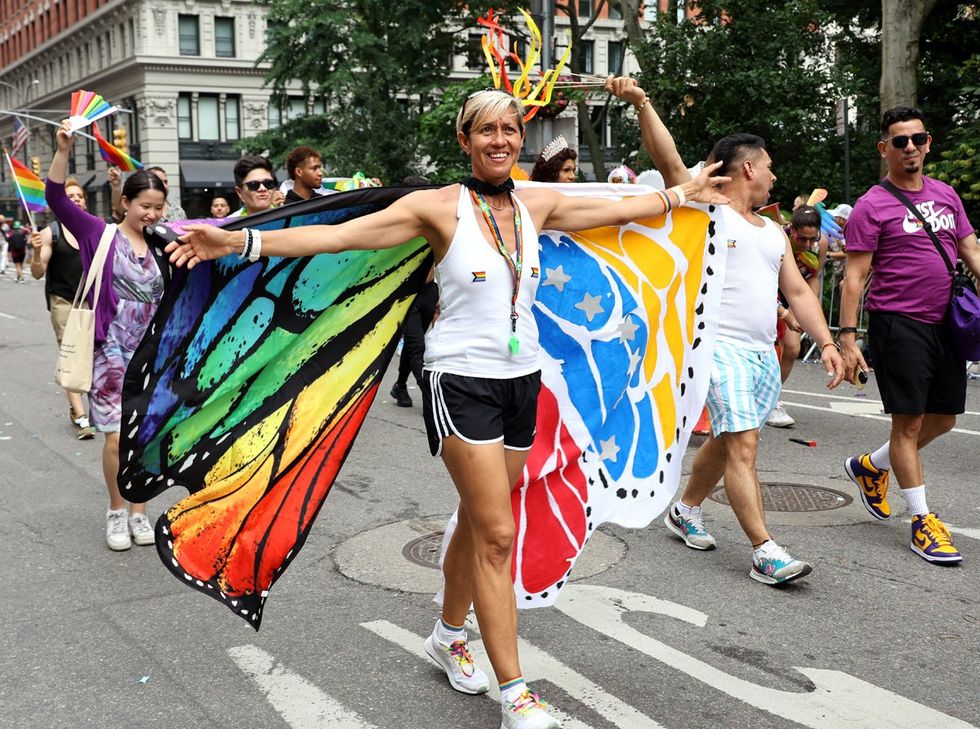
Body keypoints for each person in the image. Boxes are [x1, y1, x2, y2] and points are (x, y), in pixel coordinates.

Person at [167, 85, 729, 729]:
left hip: (524, 382)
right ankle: (516, 693)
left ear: (522, 140)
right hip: (459, 380)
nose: (500, 141)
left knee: (477, 516)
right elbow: (340, 235)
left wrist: (684, 195)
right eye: (486, 131)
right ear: (464, 141)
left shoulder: (533, 203)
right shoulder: (435, 207)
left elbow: (621, 208)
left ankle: (445, 634)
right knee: (497, 533)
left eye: (510, 131)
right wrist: (238, 243)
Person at [606, 77, 843, 585]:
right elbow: (671, 163)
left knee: (730, 438)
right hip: (717, 348)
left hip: (761, 352)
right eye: (771, 167)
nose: (776, 178)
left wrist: (827, 342)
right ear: (750, 167)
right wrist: (643, 102)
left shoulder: (773, 231)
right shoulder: (706, 209)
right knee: (743, 446)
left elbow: (798, 294)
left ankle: (685, 508)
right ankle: (765, 550)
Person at [840, 106, 980, 565]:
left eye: (917, 139)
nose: (910, 148)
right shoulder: (871, 204)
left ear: (928, 142)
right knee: (910, 423)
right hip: (898, 323)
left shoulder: (945, 195)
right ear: (885, 150)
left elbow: (969, 249)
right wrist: (845, 337)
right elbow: (855, 277)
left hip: (947, 323)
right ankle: (922, 521)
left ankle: (870, 466)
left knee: (943, 419)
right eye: (899, 142)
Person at [46, 119, 171, 552]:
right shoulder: (99, 235)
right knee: (117, 437)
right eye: (145, 206)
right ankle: (117, 511)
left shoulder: (165, 243)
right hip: (111, 354)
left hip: (154, 355)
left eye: (159, 206)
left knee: (148, 436)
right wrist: (63, 150)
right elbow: (56, 199)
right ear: (125, 203)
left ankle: (140, 511)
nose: (152, 214)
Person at [29, 178, 98, 440]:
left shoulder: (92, 229)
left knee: (93, 357)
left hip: (92, 302)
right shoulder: (51, 233)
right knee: (71, 355)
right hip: (64, 302)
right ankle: (81, 416)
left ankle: (87, 407)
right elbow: (37, 273)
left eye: (79, 196)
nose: (76, 199)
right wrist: (36, 254)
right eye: (70, 196)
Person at [767, 204, 829, 428]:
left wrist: (808, 309)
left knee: (792, 349)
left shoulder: (820, 244)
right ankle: (763, 399)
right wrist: (781, 312)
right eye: (801, 238)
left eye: (812, 238)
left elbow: (814, 276)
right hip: (769, 290)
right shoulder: (777, 237)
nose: (807, 244)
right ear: (791, 229)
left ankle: (771, 398)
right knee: (771, 346)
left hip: (794, 293)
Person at [389, 175, 437, 408]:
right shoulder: (395, 225)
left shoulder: (434, 222)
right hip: (404, 295)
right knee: (417, 344)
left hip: (429, 292)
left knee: (412, 345)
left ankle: (399, 385)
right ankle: (429, 393)